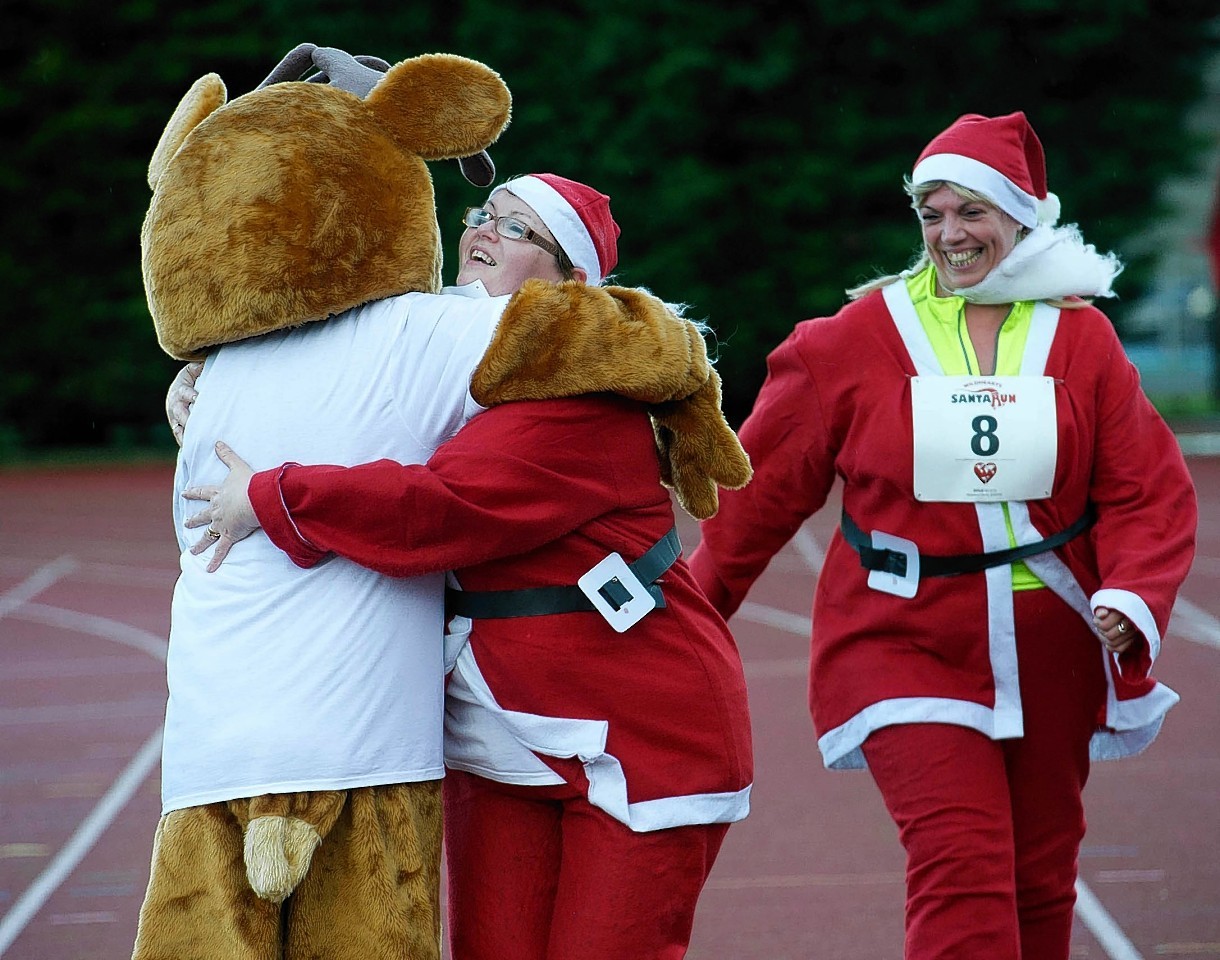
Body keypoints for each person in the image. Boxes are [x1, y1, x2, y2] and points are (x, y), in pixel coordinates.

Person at [179, 174, 755, 960]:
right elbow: (336, 387)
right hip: (502, 733)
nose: (483, 230)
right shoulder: (448, 364)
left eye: (518, 230)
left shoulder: (583, 399)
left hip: (640, 737)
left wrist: (276, 497)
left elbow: (439, 508)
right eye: (483, 214)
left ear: (572, 286)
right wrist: (215, 384)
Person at [687, 112, 1197, 960]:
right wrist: (689, 615)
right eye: (932, 213)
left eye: (972, 212)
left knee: (1040, 880)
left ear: (1020, 216)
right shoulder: (845, 344)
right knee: (961, 867)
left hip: (1053, 646)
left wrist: (1134, 593)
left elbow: (1149, 490)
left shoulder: (1084, 339)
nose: (949, 234)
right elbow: (756, 498)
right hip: (900, 637)